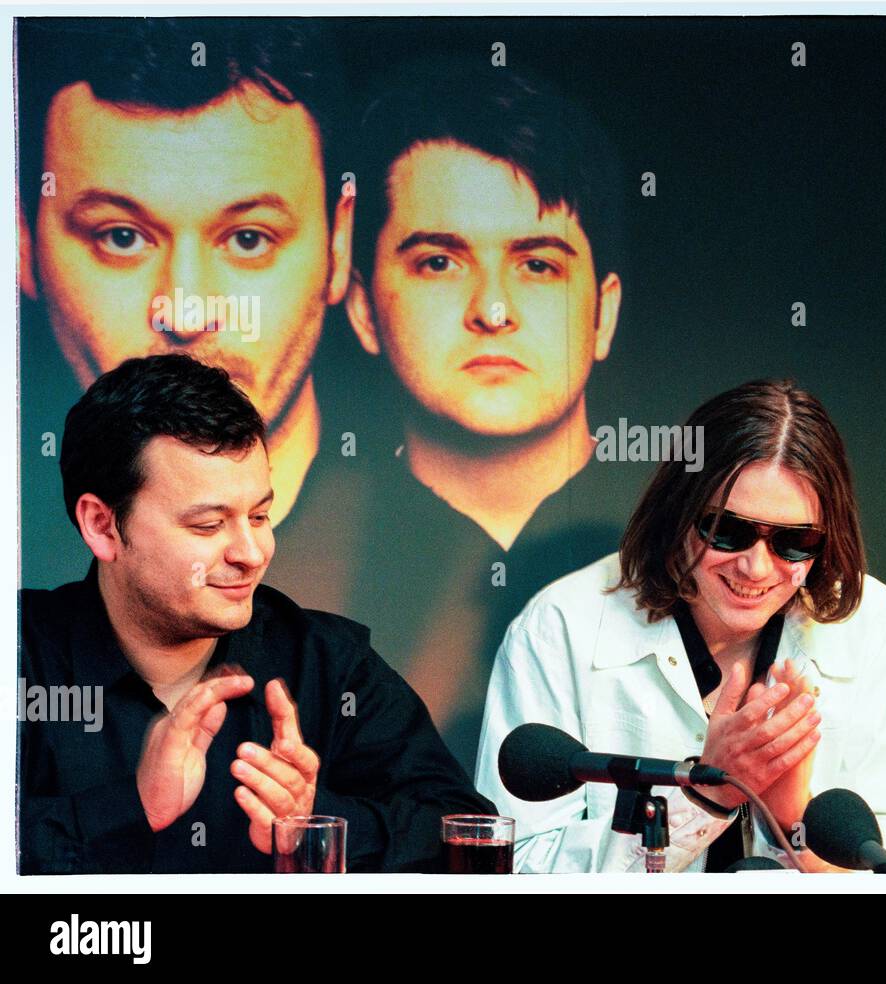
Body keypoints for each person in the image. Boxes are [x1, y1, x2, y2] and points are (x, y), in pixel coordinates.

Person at [269, 60, 631, 767]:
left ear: (604, 313)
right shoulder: (278, 575)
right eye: (439, 262)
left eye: (538, 265)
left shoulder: (699, 553)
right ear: (365, 308)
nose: (492, 311)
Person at [19, 354, 494, 874]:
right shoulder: (21, 658)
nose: (251, 552)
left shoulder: (328, 665)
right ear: (103, 526)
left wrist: (314, 822)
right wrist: (131, 809)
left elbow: (468, 839)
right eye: (207, 525)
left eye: (260, 516)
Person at [475, 380, 886, 872]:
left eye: (795, 540)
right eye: (728, 530)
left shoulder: (861, 615)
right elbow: (514, 864)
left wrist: (793, 822)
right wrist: (704, 798)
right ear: (679, 513)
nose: (756, 569)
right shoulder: (560, 626)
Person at [17, 18, 354, 591]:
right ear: (23, 244)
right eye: (120, 237)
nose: (186, 314)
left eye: (249, 238)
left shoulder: (441, 568)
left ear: (339, 246)